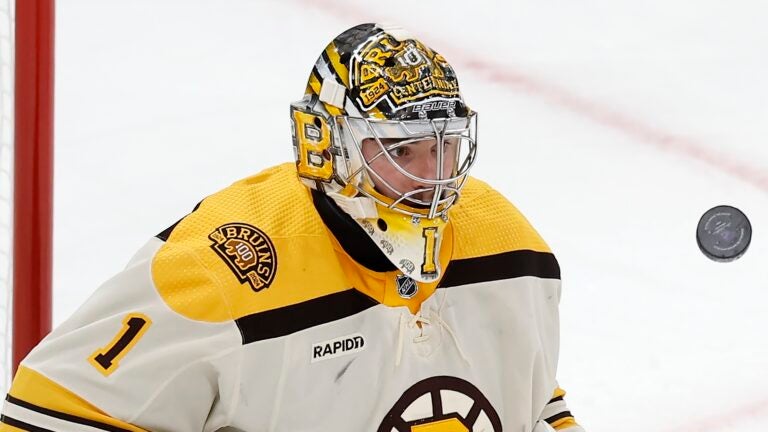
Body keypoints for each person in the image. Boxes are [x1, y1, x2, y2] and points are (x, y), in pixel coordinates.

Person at [1, 23, 584, 432]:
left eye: (445, 146)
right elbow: (54, 413)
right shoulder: (226, 270)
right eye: (403, 151)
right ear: (325, 146)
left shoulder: (511, 246)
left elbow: (533, 402)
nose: (432, 180)